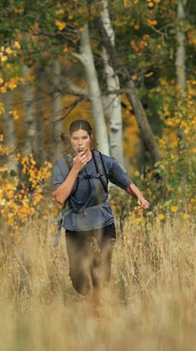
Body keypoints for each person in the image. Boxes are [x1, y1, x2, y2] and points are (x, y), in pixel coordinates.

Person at [53, 119, 150, 297]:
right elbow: (59, 197)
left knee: (101, 275)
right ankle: (92, 298)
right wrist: (75, 169)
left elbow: (126, 182)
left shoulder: (103, 161)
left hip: (103, 223)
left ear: (90, 138)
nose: (80, 143)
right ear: (70, 140)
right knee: (79, 281)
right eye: (75, 138)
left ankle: (98, 311)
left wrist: (140, 197)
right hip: (76, 225)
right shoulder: (63, 165)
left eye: (84, 137)